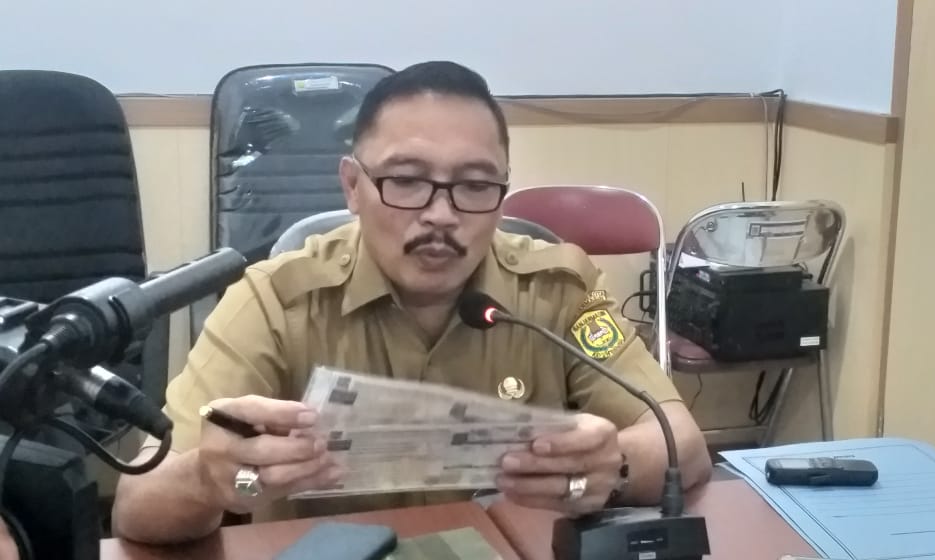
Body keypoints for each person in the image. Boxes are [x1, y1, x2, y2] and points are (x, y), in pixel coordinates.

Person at [110, 60, 712, 544]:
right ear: (353, 186)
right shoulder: (273, 300)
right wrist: (207, 479)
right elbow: (136, 509)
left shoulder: (557, 288)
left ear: (502, 193)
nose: (441, 215)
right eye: (406, 180)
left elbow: (682, 444)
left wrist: (616, 464)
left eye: (474, 184)